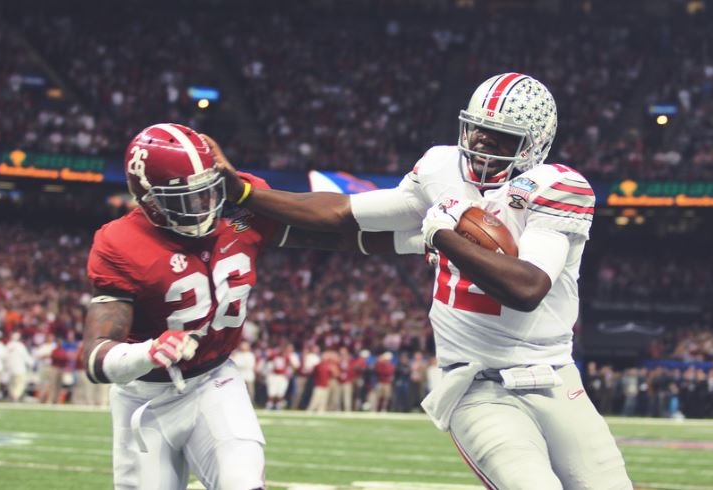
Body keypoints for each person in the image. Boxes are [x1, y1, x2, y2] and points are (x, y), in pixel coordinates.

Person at [211, 73, 632, 489]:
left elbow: (527, 288)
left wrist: (441, 236)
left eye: (501, 136)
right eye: (479, 129)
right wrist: (249, 196)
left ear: (534, 144)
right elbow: (346, 213)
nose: (483, 142)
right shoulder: (440, 169)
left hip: (554, 376)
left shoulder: (556, 187)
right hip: (476, 385)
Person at [81, 123, 410, 490]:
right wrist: (148, 352)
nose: (205, 205)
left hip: (213, 379)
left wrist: (419, 240)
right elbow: (96, 356)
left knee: (242, 481)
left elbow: (330, 230)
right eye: (188, 198)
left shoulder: (239, 207)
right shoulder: (120, 242)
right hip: (143, 398)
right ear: (150, 199)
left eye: (208, 191)